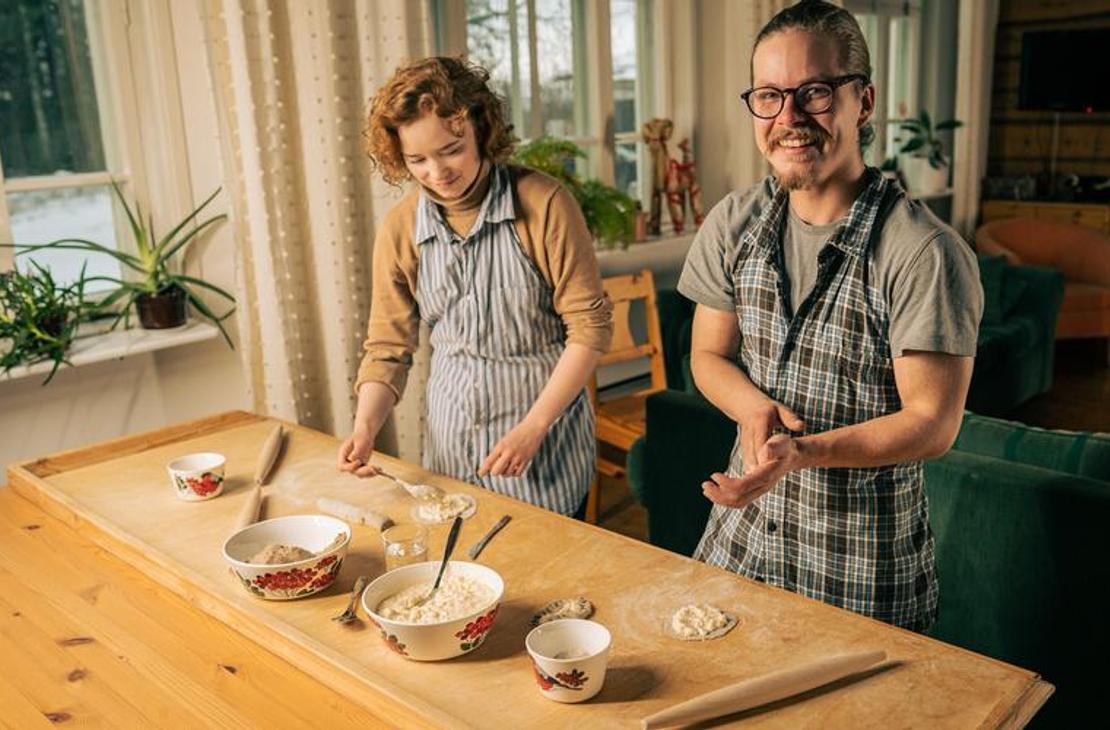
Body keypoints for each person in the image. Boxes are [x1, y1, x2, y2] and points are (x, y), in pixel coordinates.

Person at [677, 0, 982, 631]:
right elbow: (707, 356)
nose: (788, 118)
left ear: (862, 102)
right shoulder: (733, 223)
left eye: (813, 93)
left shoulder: (924, 252)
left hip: (859, 563)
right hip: (743, 534)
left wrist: (803, 452)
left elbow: (933, 423)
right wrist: (751, 409)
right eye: (769, 95)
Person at [338, 56, 612, 518]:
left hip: (543, 445)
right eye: (417, 159)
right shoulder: (401, 228)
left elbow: (589, 329)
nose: (437, 172)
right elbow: (388, 347)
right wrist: (366, 427)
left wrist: (534, 427)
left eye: (451, 149)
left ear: (481, 130)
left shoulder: (545, 204)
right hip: (451, 449)